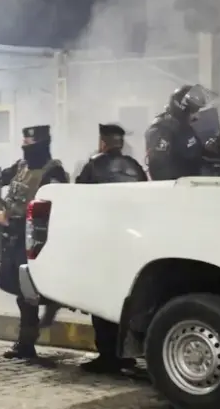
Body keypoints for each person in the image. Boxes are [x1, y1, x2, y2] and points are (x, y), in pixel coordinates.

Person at [0, 125, 68, 363]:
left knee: (28, 294)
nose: (25, 149)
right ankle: (26, 341)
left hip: (36, 241)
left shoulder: (53, 173)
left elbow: (52, 212)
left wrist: (11, 218)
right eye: (24, 144)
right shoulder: (21, 167)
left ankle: (27, 342)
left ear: (42, 145)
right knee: (17, 288)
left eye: (30, 145)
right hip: (14, 239)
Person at [75, 123, 146, 374]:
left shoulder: (93, 166)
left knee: (101, 299)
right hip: (131, 242)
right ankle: (124, 353)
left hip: (102, 241)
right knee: (125, 298)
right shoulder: (136, 167)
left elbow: (78, 200)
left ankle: (107, 356)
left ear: (103, 142)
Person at [145, 84, 208, 180]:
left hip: (193, 182)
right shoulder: (161, 130)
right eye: (194, 110)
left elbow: (193, 152)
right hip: (178, 185)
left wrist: (209, 150)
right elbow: (159, 169)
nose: (197, 116)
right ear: (183, 109)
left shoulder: (184, 127)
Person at [76, 124, 147, 184]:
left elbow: (80, 188)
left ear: (103, 143)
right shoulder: (135, 165)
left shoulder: (93, 165)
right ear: (122, 144)